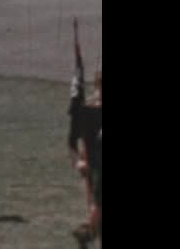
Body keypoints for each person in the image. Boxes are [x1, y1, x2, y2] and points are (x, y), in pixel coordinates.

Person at [69, 70, 102, 246]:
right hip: (97, 165)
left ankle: (88, 232)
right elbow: (82, 137)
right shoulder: (89, 109)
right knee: (98, 202)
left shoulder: (89, 108)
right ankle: (89, 232)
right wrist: (81, 159)